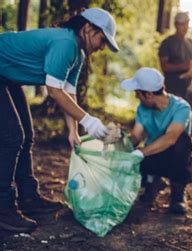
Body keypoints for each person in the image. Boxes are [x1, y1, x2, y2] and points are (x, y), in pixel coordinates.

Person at [0, 8, 119, 233]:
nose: (101, 47)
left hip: (8, 77)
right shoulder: (65, 43)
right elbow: (54, 92)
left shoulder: (79, 54)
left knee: (27, 137)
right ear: (87, 28)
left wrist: (73, 131)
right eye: (102, 40)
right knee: (12, 137)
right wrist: (90, 122)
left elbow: (68, 92)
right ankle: (3, 207)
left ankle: (29, 197)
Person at [121, 67, 192, 214]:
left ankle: (177, 195)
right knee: (135, 159)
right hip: (152, 156)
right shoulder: (142, 108)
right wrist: (120, 139)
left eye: (137, 93)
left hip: (175, 158)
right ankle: (152, 183)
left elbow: (171, 138)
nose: (136, 97)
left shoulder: (181, 107)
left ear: (148, 94)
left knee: (182, 140)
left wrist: (141, 153)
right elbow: (136, 136)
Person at [158, 12, 192, 136]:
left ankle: (185, 147)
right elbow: (164, 66)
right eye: (181, 24)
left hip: (188, 89)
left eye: (186, 24)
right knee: (172, 119)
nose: (184, 27)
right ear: (176, 25)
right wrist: (185, 66)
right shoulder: (167, 43)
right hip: (173, 88)